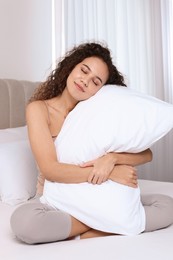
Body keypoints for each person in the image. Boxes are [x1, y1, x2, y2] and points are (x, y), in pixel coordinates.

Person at [10, 42, 173, 244]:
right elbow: (50, 169)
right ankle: (106, 224)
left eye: (96, 82)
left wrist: (112, 159)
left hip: (98, 195)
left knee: (167, 205)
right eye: (84, 70)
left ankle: (92, 226)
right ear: (71, 67)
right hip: (58, 199)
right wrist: (111, 173)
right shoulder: (39, 109)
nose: (85, 81)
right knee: (25, 222)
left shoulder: (95, 115)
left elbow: (147, 154)